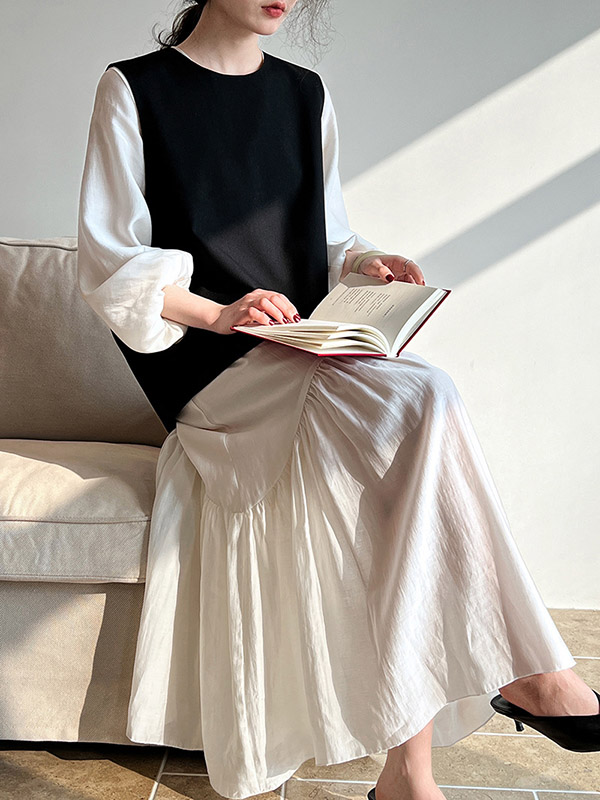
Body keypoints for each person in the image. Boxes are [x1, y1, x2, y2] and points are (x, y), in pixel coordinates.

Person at [76, 1, 600, 798]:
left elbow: (327, 241)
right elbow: (110, 261)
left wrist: (368, 264)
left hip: (301, 348)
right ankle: (529, 675)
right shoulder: (134, 89)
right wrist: (219, 313)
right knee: (423, 400)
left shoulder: (303, 93)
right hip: (208, 365)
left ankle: (412, 770)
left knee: (416, 437)